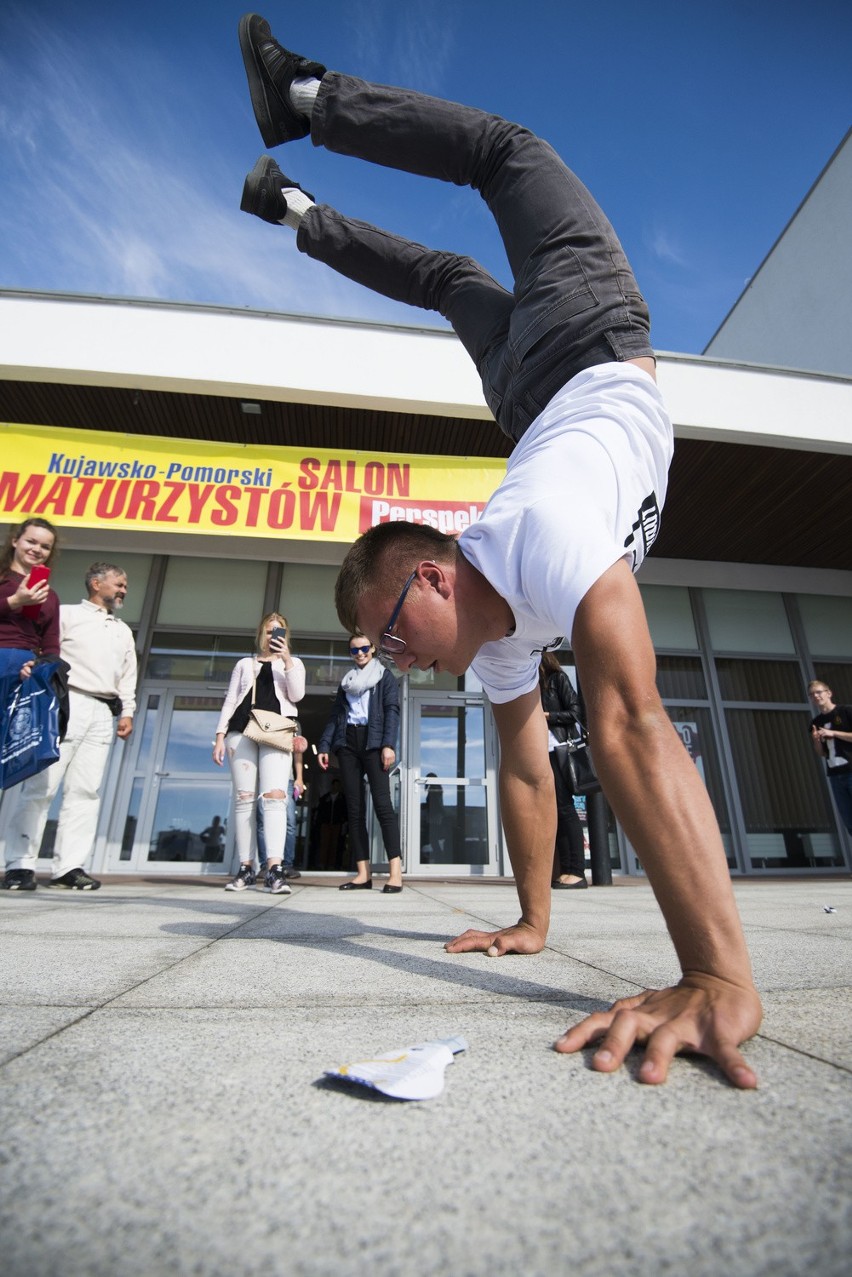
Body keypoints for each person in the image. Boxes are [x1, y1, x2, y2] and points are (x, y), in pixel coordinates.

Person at [235, 14, 762, 1086]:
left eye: (387, 632)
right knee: (443, 274)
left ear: (432, 573)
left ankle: (303, 102)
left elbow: (625, 717)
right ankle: (294, 209)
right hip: (531, 395)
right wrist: (533, 917)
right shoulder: (500, 637)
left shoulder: (542, 535)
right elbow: (529, 769)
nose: (394, 658)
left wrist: (714, 970)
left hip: (583, 346)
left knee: (505, 153)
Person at [2, 561, 137, 891]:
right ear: (95, 583)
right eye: (119, 584)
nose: (123, 590)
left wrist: (127, 711)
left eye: (125, 586)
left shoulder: (122, 630)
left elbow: (128, 674)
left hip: (104, 711)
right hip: (66, 702)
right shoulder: (66, 614)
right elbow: (41, 648)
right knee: (42, 787)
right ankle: (20, 865)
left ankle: (69, 867)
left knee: (86, 791)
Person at [213, 611, 305, 894]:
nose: (272, 636)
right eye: (268, 631)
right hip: (240, 732)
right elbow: (231, 700)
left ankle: (275, 868)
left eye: (278, 631)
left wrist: (287, 660)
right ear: (261, 634)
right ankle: (246, 867)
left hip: (276, 731)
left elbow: (297, 695)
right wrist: (219, 735)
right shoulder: (245, 664)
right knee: (244, 800)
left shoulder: (294, 663)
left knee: (275, 798)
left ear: (285, 636)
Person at [317, 634, 403, 891]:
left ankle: (395, 873)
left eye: (365, 648)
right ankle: (363, 874)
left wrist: (388, 744)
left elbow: (392, 710)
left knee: (383, 806)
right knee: (354, 810)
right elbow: (336, 715)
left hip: (374, 742)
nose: (360, 653)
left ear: (373, 648)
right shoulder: (347, 682)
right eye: (355, 650)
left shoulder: (384, 677)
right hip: (347, 744)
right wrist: (324, 745)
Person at [538, 652, 588, 890]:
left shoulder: (556, 679)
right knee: (552, 812)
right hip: (540, 754)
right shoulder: (529, 685)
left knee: (564, 809)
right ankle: (564, 869)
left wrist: (548, 716)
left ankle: (576, 871)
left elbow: (576, 712)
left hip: (559, 750)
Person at [0, 517, 60, 686]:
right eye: (31, 541)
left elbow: (51, 642)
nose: (37, 549)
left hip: (26, 671)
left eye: (45, 547)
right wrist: (15, 601)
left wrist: (42, 666)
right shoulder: (3, 579)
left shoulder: (51, 595)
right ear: (15, 541)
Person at [257, 736, 306, 877]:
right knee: (262, 821)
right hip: (264, 777)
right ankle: (265, 865)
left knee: (290, 822)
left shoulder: (294, 723)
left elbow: (298, 751)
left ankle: (287, 865)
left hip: (287, 778)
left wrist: (300, 777)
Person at [808, 681, 852, 834]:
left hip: (850, 770)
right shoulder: (816, 722)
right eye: (812, 694)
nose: (816, 696)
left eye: (819, 692)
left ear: (829, 693)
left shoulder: (846, 712)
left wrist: (833, 733)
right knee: (848, 820)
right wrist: (816, 741)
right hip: (835, 774)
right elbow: (821, 753)